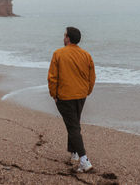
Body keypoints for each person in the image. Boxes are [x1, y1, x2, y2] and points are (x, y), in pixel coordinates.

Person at [47, 26, 96, 173]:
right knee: (74, 123)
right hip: (81, 95)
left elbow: (52, 77)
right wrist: (87, 91)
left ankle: (84, 160)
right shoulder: (86, 55)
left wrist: (54, 95)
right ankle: (74, 153)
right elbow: (92, 77)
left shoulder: (58, 54)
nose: (63, 38)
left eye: (64, 35)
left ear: (68, 38)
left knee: (73, 127)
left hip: (65, 96)